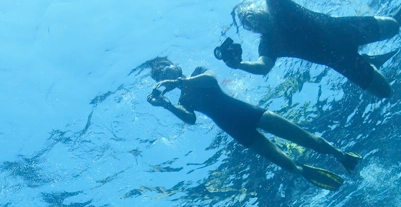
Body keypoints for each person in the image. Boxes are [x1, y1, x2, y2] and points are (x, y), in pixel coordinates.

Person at [200, 0, 401, 97]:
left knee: (394, 27)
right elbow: (263, 67)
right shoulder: (268, 44)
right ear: (251, 30)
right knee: (385, 92)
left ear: (259, 8)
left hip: (346, 30)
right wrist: (239, 65)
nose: (250, 20)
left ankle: (374, 51)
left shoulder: (278, 6)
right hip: (340, 60)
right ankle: (369, 61)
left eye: (250, 14)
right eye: (247, 23)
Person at [147, 59, 355, 190]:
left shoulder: (199, 71)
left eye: (165, 68)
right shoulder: (183, 101)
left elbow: (210, 80)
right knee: (288, 166)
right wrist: (165, 104)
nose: (163, 74)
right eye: (158, 75)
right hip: (237, 131)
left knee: (310, 140)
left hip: (252, 114)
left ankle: (343, 157)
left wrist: (180, 82)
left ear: (177, 66)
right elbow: (190, 119)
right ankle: (305, 171)